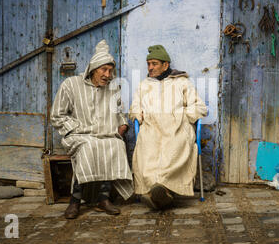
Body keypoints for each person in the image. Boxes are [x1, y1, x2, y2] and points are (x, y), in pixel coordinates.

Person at [51, 39, 133, 219]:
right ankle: (75, 200)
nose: (108, 74)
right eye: (104, 70)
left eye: (110, 71)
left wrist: (123, 124)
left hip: (105, 134)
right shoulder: (71, 85)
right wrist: (76, 128)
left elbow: (119, 113)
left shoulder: (112, 89)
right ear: (93, 69)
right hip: (79, 136)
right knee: (89, 147)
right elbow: (57, 115)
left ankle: (103, 199)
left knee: (115, 146)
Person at [129, 45, 207, 210]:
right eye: (148, 64)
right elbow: (135, 108)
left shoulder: (182, 82)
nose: (150, 67)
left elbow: (199, 107)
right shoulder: (144, 85)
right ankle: (159, 192)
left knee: (174, 147)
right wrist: (138, 114)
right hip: (151, 126)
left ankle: (160, 191)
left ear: (165, 65)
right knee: (147, 148)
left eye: (154, 63)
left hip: (177, 126)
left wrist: (182, 115)